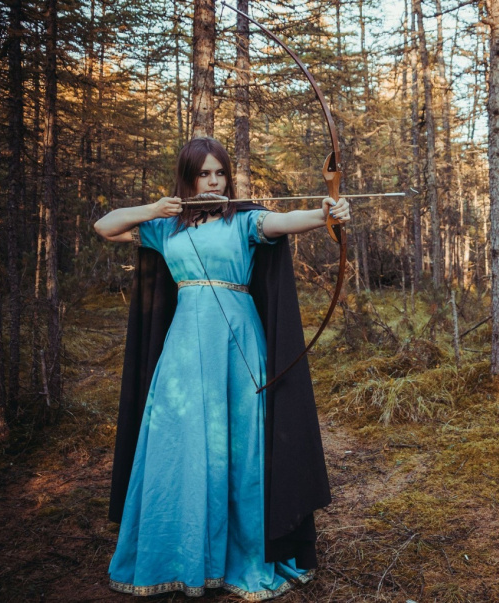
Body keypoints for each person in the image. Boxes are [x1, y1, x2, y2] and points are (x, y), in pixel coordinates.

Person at [93, 136, 349, 599]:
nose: (213, 182)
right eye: (203, 174)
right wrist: (153, 209)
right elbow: (105, 226)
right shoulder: (164, 227)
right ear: (188, 179)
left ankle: (242, 556)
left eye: (219, 174)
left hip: (237, 343)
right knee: (180, 442)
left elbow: (284, 221)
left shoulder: (243, 219)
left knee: (241, 446)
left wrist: (326, 213)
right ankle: (179, 555)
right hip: (183, 348)